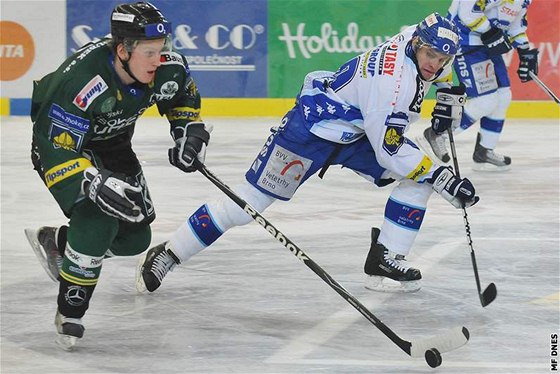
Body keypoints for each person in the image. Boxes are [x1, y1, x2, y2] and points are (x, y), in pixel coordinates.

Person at [136, 13, 479, 297]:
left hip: (355, 130)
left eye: (442, 59)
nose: (435, 65)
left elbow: (439, 63)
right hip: (311, 132)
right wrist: (443, 177)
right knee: (244, 208)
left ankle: (385, 258)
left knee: (416, 180)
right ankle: (170, 252)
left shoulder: (413, 37)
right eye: (431, 56)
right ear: (418, 45)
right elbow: (389, 149)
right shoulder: (393, 85)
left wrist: (449, 90)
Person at [24, 2, 211, 350]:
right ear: (123, 51)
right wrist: (90, 181)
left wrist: (188, 128)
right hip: (65, 148)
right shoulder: (81, 82)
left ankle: (61, 244)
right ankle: (71, 308)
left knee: (135, 238)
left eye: (162, 49)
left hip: (113, 147)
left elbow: (180, 94)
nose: (159, 59)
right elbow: (55, 146)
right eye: (150, 53)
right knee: (98, 220)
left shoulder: (165, 67)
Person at [417, 0, 537, 171]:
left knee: (503, 96)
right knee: (486, 100)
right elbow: (467, 12)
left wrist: (526, 50)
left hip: (485, 43)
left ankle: (484, 150)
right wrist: (490, 32)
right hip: (465, 42)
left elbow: (516, 25)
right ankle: (437, 134)